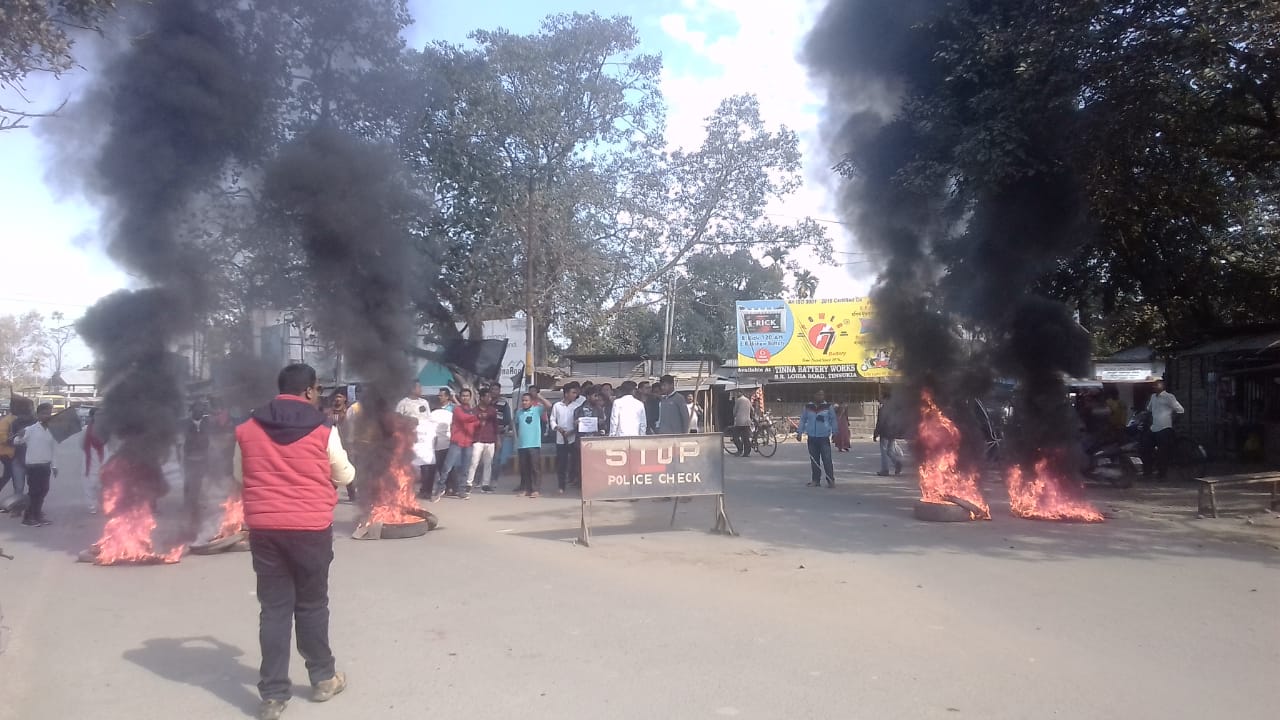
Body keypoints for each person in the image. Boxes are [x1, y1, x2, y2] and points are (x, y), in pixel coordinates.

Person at [233, 364, 353, 720]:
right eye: (317, 390)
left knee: (274, 610)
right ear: (309, 391)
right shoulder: (322, 428)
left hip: (266, 529)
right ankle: (323, 679)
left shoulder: (247, 428)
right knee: (312, 605)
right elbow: (345, 475)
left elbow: (239, 475)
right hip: (310, 529)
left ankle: (272, 696)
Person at [14, 402, 57, 526]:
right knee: (34, 492)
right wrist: (20, 435)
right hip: (33, 466)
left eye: (49, 413)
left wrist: (54, 466)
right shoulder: (30, 429)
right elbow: (17, 441)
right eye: (44, 413)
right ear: (37, 415)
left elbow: (53, 449)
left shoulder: (51, 430)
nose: (47, 416)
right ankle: (27, 518)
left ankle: (37, 515)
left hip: (45, 466)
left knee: (44, 490)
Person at [395, 381, 436, 498]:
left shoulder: (424, 403)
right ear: (412, 389)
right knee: (409, 464)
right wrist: (408, 421)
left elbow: (428, 420)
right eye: (419, 387)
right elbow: (397, 419)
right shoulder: (403, 403)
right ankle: (407, 490)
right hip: (409, 438)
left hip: (424, 439)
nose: (421, 390)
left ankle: (426, 490)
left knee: (426, 464)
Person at [1143, 379, 1185, 479]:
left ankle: (1162, 475)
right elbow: (1148, 410)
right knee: (1145, 448)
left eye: (1157, 385)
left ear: (1162, 386)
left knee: (1163, 453)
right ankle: (1147, 472)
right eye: (1154, 386)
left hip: (1165, 428)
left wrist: (1173, 422)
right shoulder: (1153, 397)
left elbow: (1180, 410)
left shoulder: (1169, 397)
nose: (1154, 387)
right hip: (1154, 428)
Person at [442, 388, 479, 498]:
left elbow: (477, 425)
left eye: (467, 396)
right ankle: (440, 488)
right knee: (447, 466)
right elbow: (464, 418)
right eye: (463, 396)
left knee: (465, 468)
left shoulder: (472, 411)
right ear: (460, 397)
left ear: (470, 397)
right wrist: (477, 417)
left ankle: (462, 491)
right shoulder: (457, 409)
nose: (465, 398)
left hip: (468, 443)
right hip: (456, 442)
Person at [550, 382, 585, 494]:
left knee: (577, 462)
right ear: (566, 394)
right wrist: (557, 428)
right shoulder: (557, 406)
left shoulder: (577, 407)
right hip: (560, 438)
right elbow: (552, 420)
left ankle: (580, 484)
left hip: (573, 438)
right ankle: (561, 486)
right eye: (573, 392)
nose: (575, 395)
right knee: (562, 464)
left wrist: (572, 431)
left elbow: (580, 422)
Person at [799, 390, 837, 487]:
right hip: (812, 437)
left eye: (822, 394)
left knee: (827, 460)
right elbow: (803, 419)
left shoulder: (828, 407)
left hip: (824, 437)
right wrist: (799, 432)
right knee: (814, 460)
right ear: (814, 395)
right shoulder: (808, 407)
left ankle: (830, 480)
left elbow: (833, 420)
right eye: (818, 394)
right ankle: (816, 480)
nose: (821, 396)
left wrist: (835, 432)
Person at [467, 387, 501, 493]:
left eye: (490, 397)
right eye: (487, 396)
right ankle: (468, 483)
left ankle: (485, 484)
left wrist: (498, 439)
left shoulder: (492, 411)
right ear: (481, 398)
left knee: (488, 463)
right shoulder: (474, 411)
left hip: (490, 440)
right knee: (474, 462)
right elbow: (470, 426)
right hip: (477, 440)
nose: (489, 398)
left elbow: (496, 426)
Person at [182, 402, 211, 521]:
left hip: (202, 457)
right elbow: (184, 442)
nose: (199, 412)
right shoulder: (186, 424)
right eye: (196, 410)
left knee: (198, 480)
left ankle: (196, 503)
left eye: (201, 410)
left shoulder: (206, 423)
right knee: (189, 480)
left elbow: (207, 439)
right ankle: (188, 503)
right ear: (192, 412)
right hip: (189, 458)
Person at [514, 392, 546, 497]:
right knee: (524, 468)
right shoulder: (518, 412)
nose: (524, 402)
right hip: (522, 445)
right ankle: (526, 489)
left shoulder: (537, 410)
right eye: (523, 400)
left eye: (527, 400)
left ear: (532, 402)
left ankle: (535, 489)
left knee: (535, 468)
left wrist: (539, 397)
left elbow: (549, 405)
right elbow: (516, 426)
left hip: (534, 444)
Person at [5, 398, 36, 499]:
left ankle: (33, 509)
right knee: (18, 488)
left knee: (33, 487)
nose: (32, 409)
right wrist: (17, 437)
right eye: (31, 407)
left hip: (33, 460)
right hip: (19, 458)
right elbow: (11, 441)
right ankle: (18, 508)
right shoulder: (15, 422)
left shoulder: (37, 422)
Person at [426, 398, 455, 500]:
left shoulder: (431, 415)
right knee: (446, 468)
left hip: (434, 445)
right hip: (446, 443)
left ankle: (429, 490)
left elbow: (428, 429)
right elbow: (453, 427)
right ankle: (450, 488)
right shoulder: (449, 414)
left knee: (432, 469)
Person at [83, 408, 107, 513]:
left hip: (104, 457)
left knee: (103, 483)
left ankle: (104, 503)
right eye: (97, 415)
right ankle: (91, 505)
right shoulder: (86, 430)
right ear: (92, 417)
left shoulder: (107, 429)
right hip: (90, 458)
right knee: (91, 483)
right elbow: (81, 444)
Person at [872, 392, 902, 476]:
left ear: (885, 399)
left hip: (885, 432)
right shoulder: (894, 408)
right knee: (889, 451)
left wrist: (875, 433)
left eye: (881, 397)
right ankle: (897, 463)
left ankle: (885, 470)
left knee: (884, 452)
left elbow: (880, 422)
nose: (880, 399)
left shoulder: (883, 409)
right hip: (892, 432)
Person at [731, 390, 754, 457]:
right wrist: (751, 416)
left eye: (737, 393)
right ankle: (747, 453)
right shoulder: (747, 400)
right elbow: (752, 409)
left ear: (739, 393)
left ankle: (740, 449)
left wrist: (734, 416)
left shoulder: (738, 400)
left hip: (739, 422)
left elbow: (734, 412)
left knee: (735, 437)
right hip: (747, 422)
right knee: (746, 438)